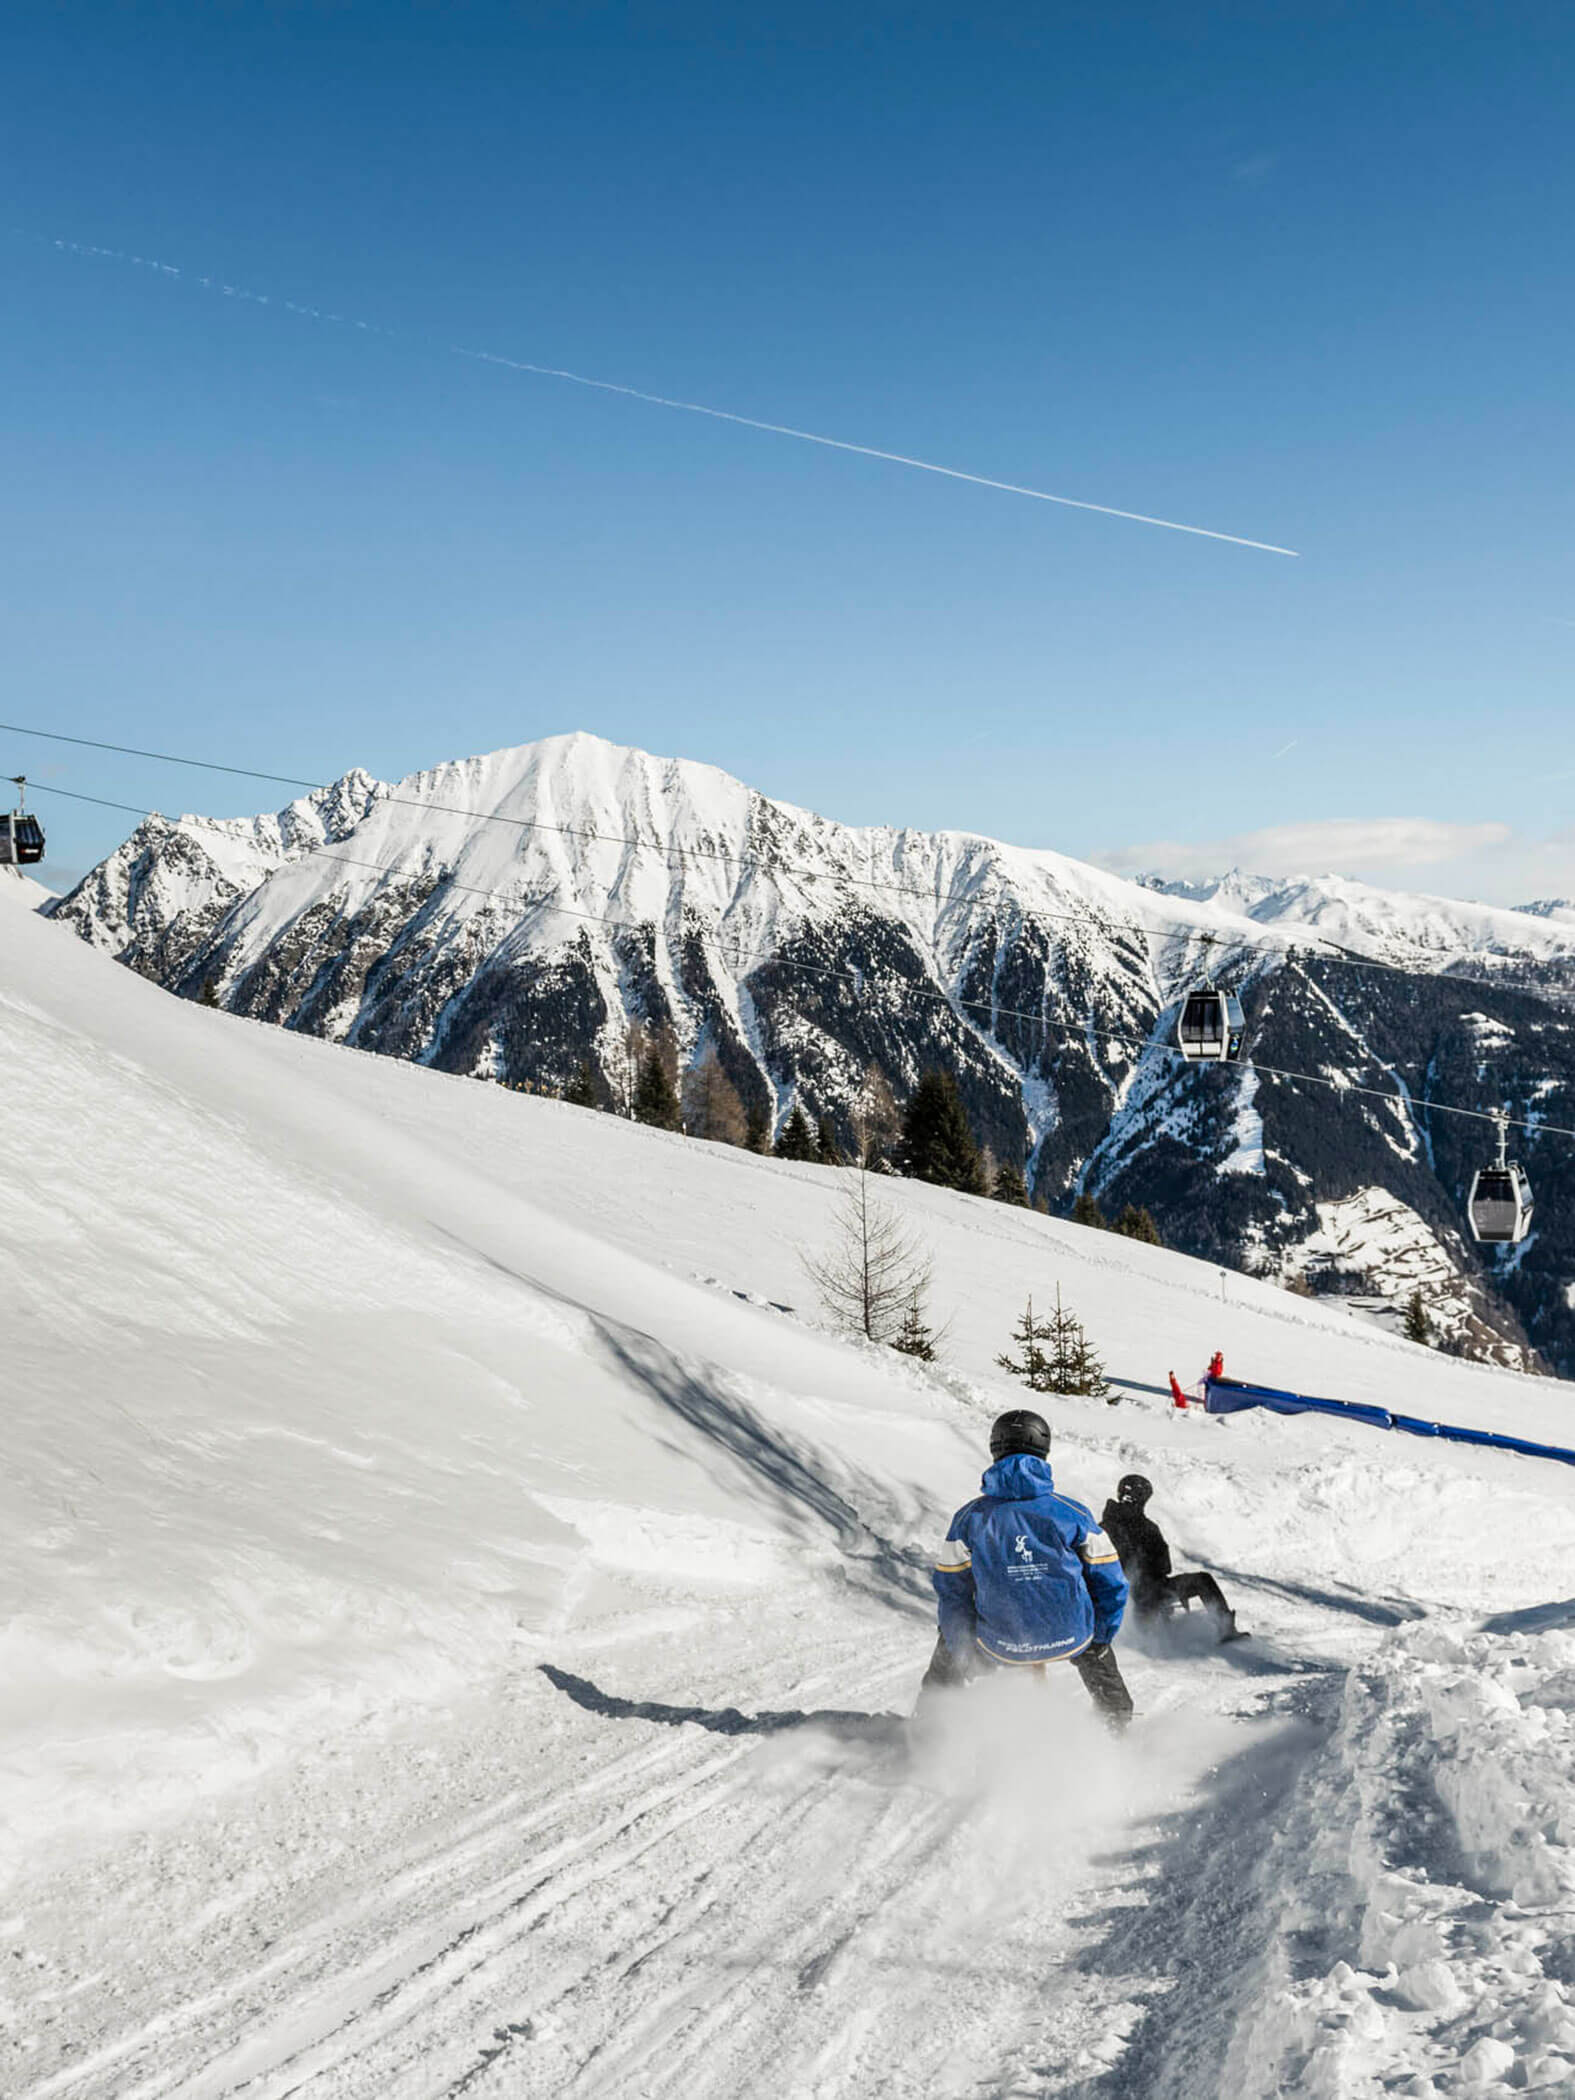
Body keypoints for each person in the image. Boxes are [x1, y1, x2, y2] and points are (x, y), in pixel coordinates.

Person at [918, 1408, 1133, 1729]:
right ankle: (1116, 1721)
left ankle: (932, 1725)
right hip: (1072, 1635)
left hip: (999, 1641)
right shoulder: (1072, 1513)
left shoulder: (970, 1519)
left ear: (995, 1449)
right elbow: (1111, 1582)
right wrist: (1100, 1636)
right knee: (1096, 1649)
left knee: (949, 1641)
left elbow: (952, 1591)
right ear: (1043, 1450)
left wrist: (961, 1647)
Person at [1099, 1475, 1242, 1641]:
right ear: (1140, 1498)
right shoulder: (1145, 1527)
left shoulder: (1104, 1526)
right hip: (1143, 1597)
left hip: (1128, 1601)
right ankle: (1226, 1630)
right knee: (1203, 1581)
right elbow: (1164, 1566)